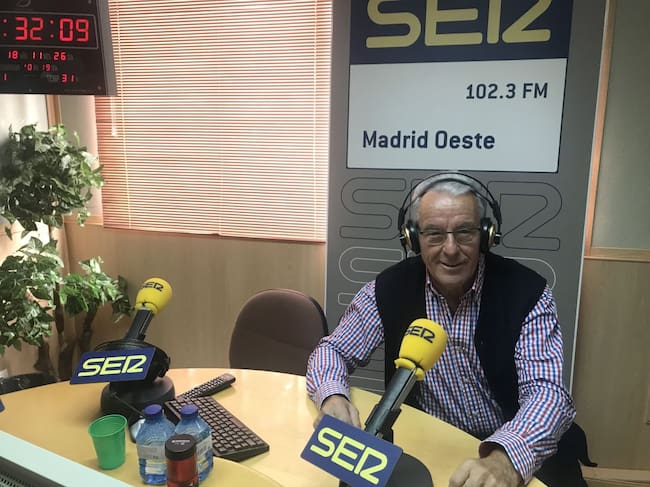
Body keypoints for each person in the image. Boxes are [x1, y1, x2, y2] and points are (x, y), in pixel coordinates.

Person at [306, 173, 590, 486]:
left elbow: (547, 394)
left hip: (514, 452)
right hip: (432, 446)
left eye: (464, 232)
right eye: (434, 234)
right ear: (413, 239)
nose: (451, 249)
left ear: (486, 234)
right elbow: (333, 350)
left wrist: (506, 458)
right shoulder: (388, 288)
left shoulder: (527, 293)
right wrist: (332, 396)